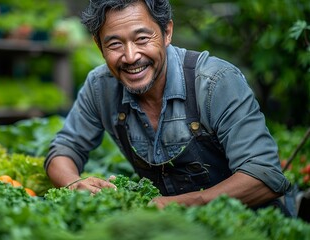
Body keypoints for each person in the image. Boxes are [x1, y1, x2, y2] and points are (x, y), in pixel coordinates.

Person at [44, 0, 292, 214]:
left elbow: (264, 177)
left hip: (247, 225)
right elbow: (63, 150)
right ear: (99, 46)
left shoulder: (214, 82)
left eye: (142, 38)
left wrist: (170, 205)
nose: (131, 57)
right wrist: (73, 183)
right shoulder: (101, 87)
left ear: (167, 32)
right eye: (115, 44)